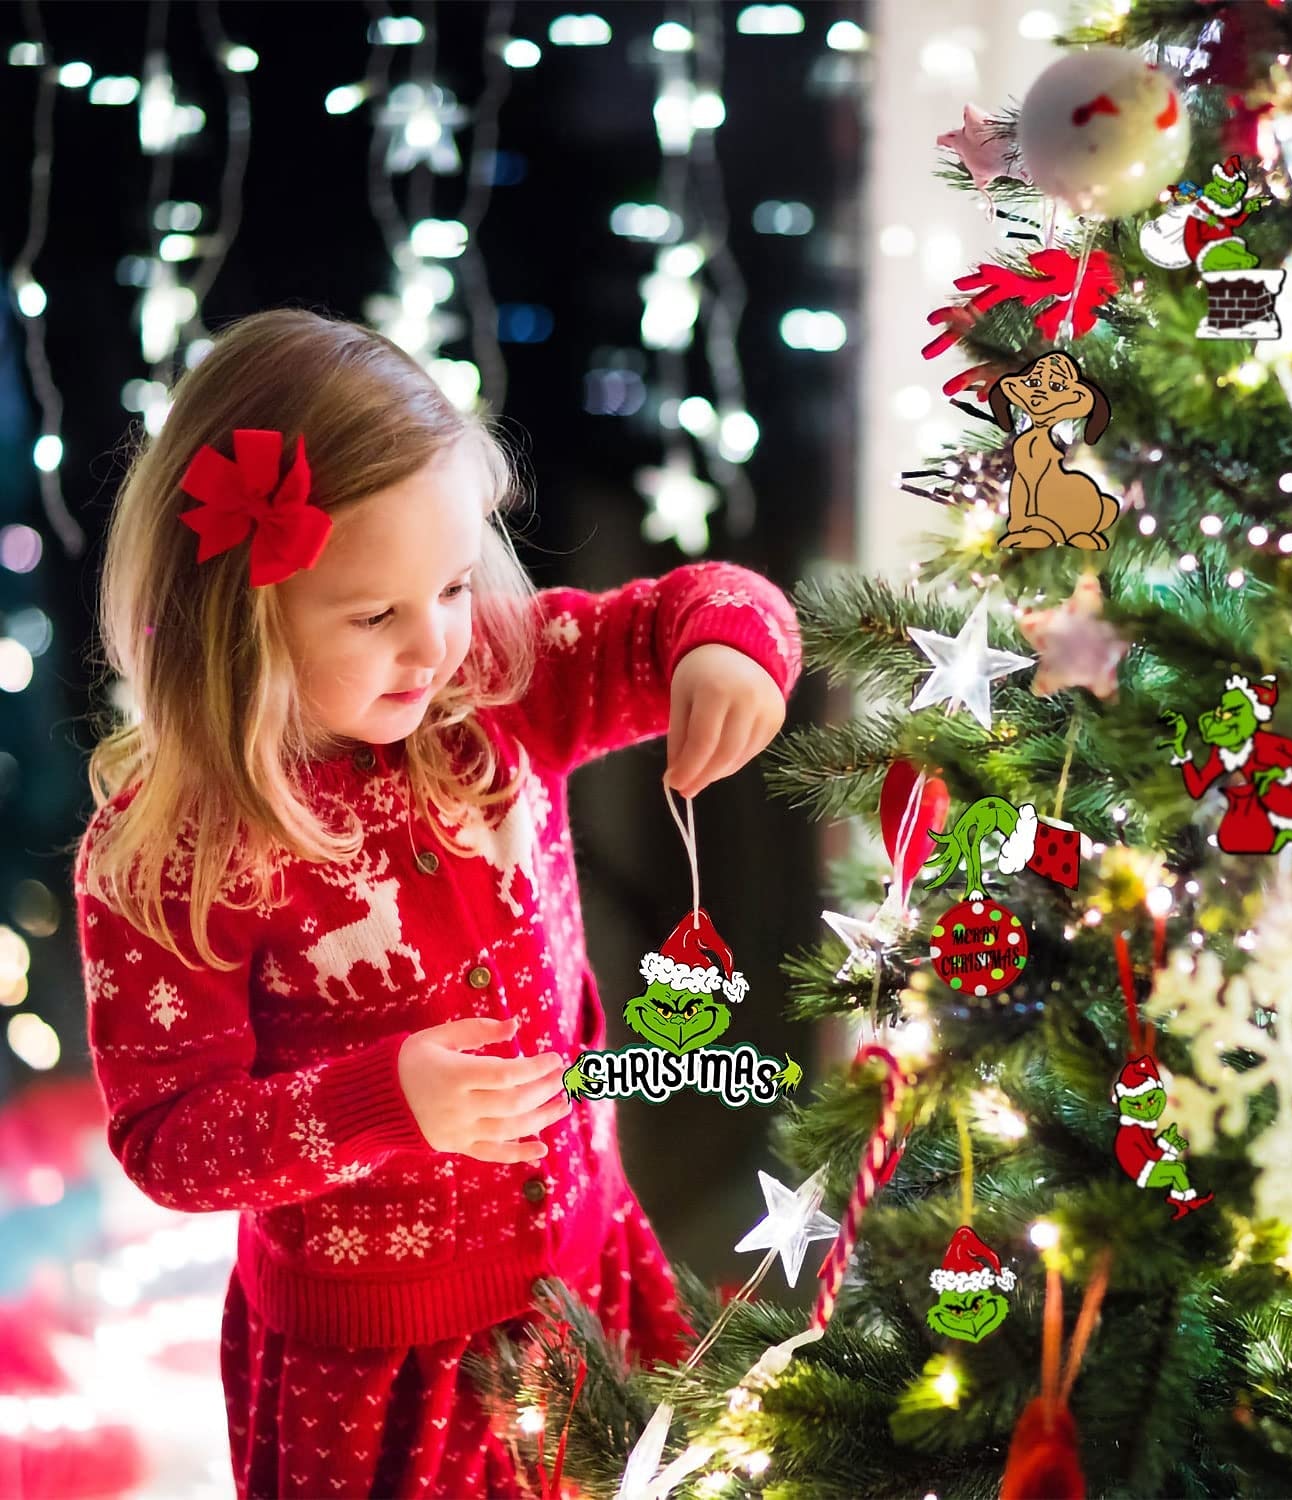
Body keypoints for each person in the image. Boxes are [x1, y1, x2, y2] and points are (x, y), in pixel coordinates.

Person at [71, 308, 803, 1498]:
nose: (434, 645)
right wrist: (383, 1102)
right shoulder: (174, 851)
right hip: (374, 1368)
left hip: (584, 1271)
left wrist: (725, 647)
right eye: (375, 616)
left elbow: (694, 605)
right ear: (239, 619)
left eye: (456, 585)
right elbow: (169, 1143)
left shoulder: (498, 688)